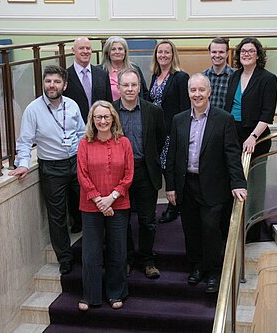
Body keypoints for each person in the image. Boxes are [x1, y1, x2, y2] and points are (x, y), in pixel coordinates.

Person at [165, 73, 247, 293]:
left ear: (209, 92)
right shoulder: (179, 119)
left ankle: (213, 272)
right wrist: (170, 186)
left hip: (213, 186)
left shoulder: (224, 119)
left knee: (211, 229)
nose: (197, 94)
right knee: (191, 229)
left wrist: (238, 182)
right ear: (188, 93)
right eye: (193, 90)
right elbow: (172, 155)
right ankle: (197, 267)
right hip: (186, 185)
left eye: (201, 90)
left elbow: (232, 153)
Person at [9, 65, 85, 275]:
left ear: (65, 85)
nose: (52, 85)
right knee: (57, 216)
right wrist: (23, 163)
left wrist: (83, 156)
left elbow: (81, 133)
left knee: (85, 207)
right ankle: (65, 258)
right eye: (48, 81)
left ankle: (90, 251)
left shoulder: (72, 105)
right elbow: (24, 141)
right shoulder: (33, 109)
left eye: (56, 81)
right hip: (51, 168)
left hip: (75, 162)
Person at [76, 100, 134, 311]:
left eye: (106, 117)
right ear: (92, 120)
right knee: (91, 254)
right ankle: (90, 296)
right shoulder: (84, 143)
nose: (102, 121)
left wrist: (111, 198)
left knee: (117, 251)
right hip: (91, 207)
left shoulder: (124, 143)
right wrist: (99, 201)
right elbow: (82, 174)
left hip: (118, 204)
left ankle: (116, 292)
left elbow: (128, 175)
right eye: (98, 117)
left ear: (113, 119)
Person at [113, 68, 166, 279]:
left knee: (147, 220)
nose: (129, 89)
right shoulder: (110, 111)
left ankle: (147, 260)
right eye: (125, 85)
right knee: (122, 220)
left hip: (145, 171)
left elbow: (161, 139)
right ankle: (126, 259)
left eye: (133, 85)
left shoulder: (153, 111)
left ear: (139, 87)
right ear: (118, 87)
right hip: (118, 174)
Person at [148, 39, 190, 224]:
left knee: (170, 169)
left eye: (167, 52)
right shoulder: (155, 76)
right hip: (157, 130)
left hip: (172, 131)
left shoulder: (180, 77)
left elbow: (184, 108)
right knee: (162, 167)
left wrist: (179, 131)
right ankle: (175, 204)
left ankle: (175, 206)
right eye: (160, 52)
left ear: (173, 55)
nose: (163, 55)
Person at [224, 37, 277, 158]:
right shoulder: (234, 76)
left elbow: (267, 113)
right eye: (243, 51)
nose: (246, 54)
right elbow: (228, 106)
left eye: (251, 51)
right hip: (233, 133)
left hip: (255, 136)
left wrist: (253, 137)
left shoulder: (268, 79)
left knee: (255, 176)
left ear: (258, 55)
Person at [64, 37, 113, 124]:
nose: (85, 51)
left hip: (100, 126)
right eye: (81, 48)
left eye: (88, 48)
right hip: (75, 126)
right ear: (73, 50)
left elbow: (108, 102)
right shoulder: (65, 76)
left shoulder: (102, 74)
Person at [100, 36, 149, 101]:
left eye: (120, 49)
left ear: (125, 52)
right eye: (113, 49)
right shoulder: (100, 71)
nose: (117, 52)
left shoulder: (135, 69)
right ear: (108, 53)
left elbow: (144, 93)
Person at [202, 37, 235, 110]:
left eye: (221, 52)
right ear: (209, 52)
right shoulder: (203, 77)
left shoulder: (235, 77)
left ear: (227, 54)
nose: (217, 55)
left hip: (227, 120)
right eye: (214, 52)